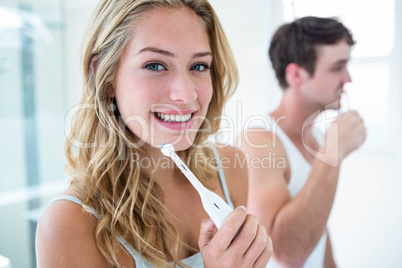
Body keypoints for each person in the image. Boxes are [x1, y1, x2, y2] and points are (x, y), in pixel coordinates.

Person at [35, 0, 272, 267]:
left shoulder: (231, 170)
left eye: (198, 66)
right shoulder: (69, 224)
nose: (186, 95)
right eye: (155, 65)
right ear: (105, 74)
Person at [237, 17, 366, 268]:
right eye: (337, 67)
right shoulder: (260, 142)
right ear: (296, 74)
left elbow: (316, 223)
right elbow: (285, 254)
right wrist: (333, 152)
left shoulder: (316, 137)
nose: (347, 79)